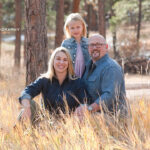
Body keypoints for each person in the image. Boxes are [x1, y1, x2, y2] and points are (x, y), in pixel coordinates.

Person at [18, 47, 87, 125]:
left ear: (69, 63)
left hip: (69, 124)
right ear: (53, 61)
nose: (61, 62)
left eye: (65, 60)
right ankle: (19, 132)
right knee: (30, 104)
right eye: (58, 59)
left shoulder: (77, 82)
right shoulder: (44, 80)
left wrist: (82, 108)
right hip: (45, 122)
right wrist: (27, 107)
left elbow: (84, 102)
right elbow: (27, 91)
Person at [75, 34, 128, 119]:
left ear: (106, 47)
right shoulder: (88, 66)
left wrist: (88, 109)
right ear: (88, 48)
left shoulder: (111, 67)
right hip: (96, 114)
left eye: (98, 44)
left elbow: (109, 96)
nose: (95, 47)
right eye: (92, 45)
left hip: (114, 117)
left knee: (79, 120)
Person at [61, 13, 90, 78]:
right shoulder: (65, 43)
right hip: (71, 77)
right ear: (68, 29)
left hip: (86, 77)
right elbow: (62, 60)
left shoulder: (88, 42)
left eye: (78, 27)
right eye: (72, 28)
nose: (75, 30)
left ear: (83, 27)